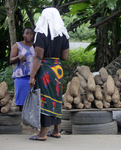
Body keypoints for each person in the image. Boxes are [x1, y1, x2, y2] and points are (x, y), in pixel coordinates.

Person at [29, 7, 69, 141]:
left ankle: (43, 133)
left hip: (45, 69)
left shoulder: (41, 34)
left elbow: (38, 57)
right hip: (57, 69)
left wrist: (32, 75)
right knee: (57, 98)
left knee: (45, 99)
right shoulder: (63, 34)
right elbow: (65, 56)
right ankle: (56, 130)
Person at [10, 27, 35, 111]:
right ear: (23, 34)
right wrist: (18, 57)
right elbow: (11, 60)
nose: (29, 35)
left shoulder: (35, 46)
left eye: (31, 34)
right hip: (21, 77)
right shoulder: (17, 45)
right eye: (27, 33)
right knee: (20, 102)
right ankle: (19, 121)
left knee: (32, 102)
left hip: (32, 77)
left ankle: (29, 121)